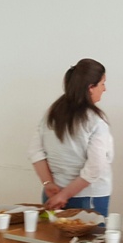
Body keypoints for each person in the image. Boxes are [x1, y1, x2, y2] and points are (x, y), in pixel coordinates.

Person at [27, 58, 113, 216]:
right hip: (89, 198)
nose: (105, 89)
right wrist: (64, 195)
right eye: (102, 83)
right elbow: (95, 168)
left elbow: (35, 152)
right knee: (88, 234)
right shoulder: (96, 121)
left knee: (50, 233)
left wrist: (48, 183)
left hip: (53, 194)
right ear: (91, 87)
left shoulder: (51, 114)